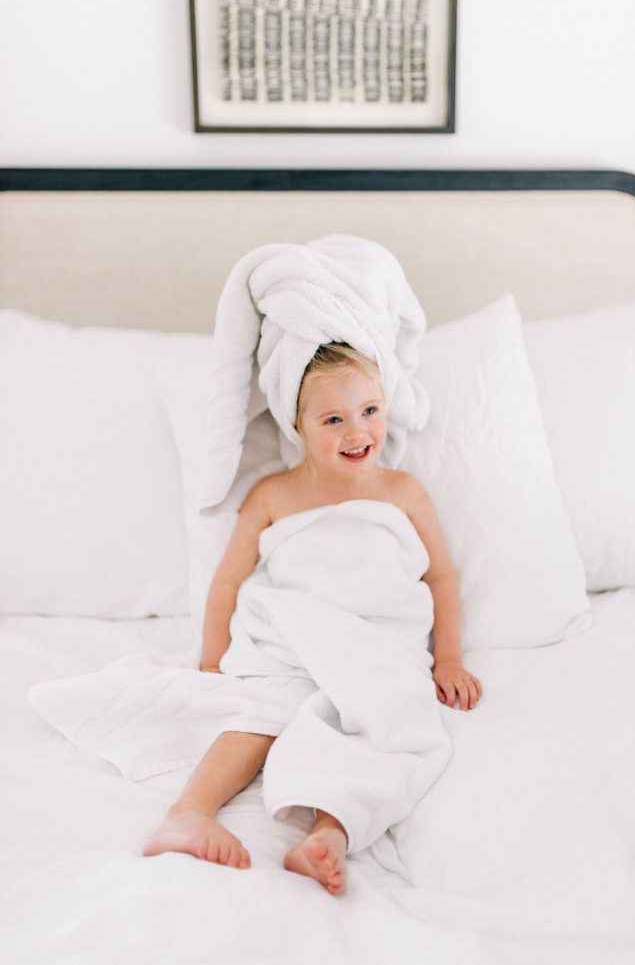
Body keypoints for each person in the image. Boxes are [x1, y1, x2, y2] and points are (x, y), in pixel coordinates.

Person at [144, 343, 482, 894]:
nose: (358, 432)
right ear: (298, 425)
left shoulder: (404, 494)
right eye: (334, 419)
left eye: (370, 411)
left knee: (385, 727)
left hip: (373, 646)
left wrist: (448, 658)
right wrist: (212, 659)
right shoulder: (273, 495)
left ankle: (329, 835)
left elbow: (440, 577)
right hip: (293, 640)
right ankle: (188, 812)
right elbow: (228, 579)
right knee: (260, 715)